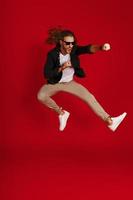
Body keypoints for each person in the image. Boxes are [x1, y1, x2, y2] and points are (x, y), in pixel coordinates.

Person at [37, 27, 127, 131]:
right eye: (67, 43)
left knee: (89, 97)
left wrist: (101, 47)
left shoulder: (73, 49)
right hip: (55, 82)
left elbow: (88, 49)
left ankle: (110, 121)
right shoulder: (52, 54)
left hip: (69, 83)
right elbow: (47, 74)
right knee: (41, 96)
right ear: (61, 42)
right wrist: (62, 67)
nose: (70, 46)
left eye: (72, 43)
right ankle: (62, 113)